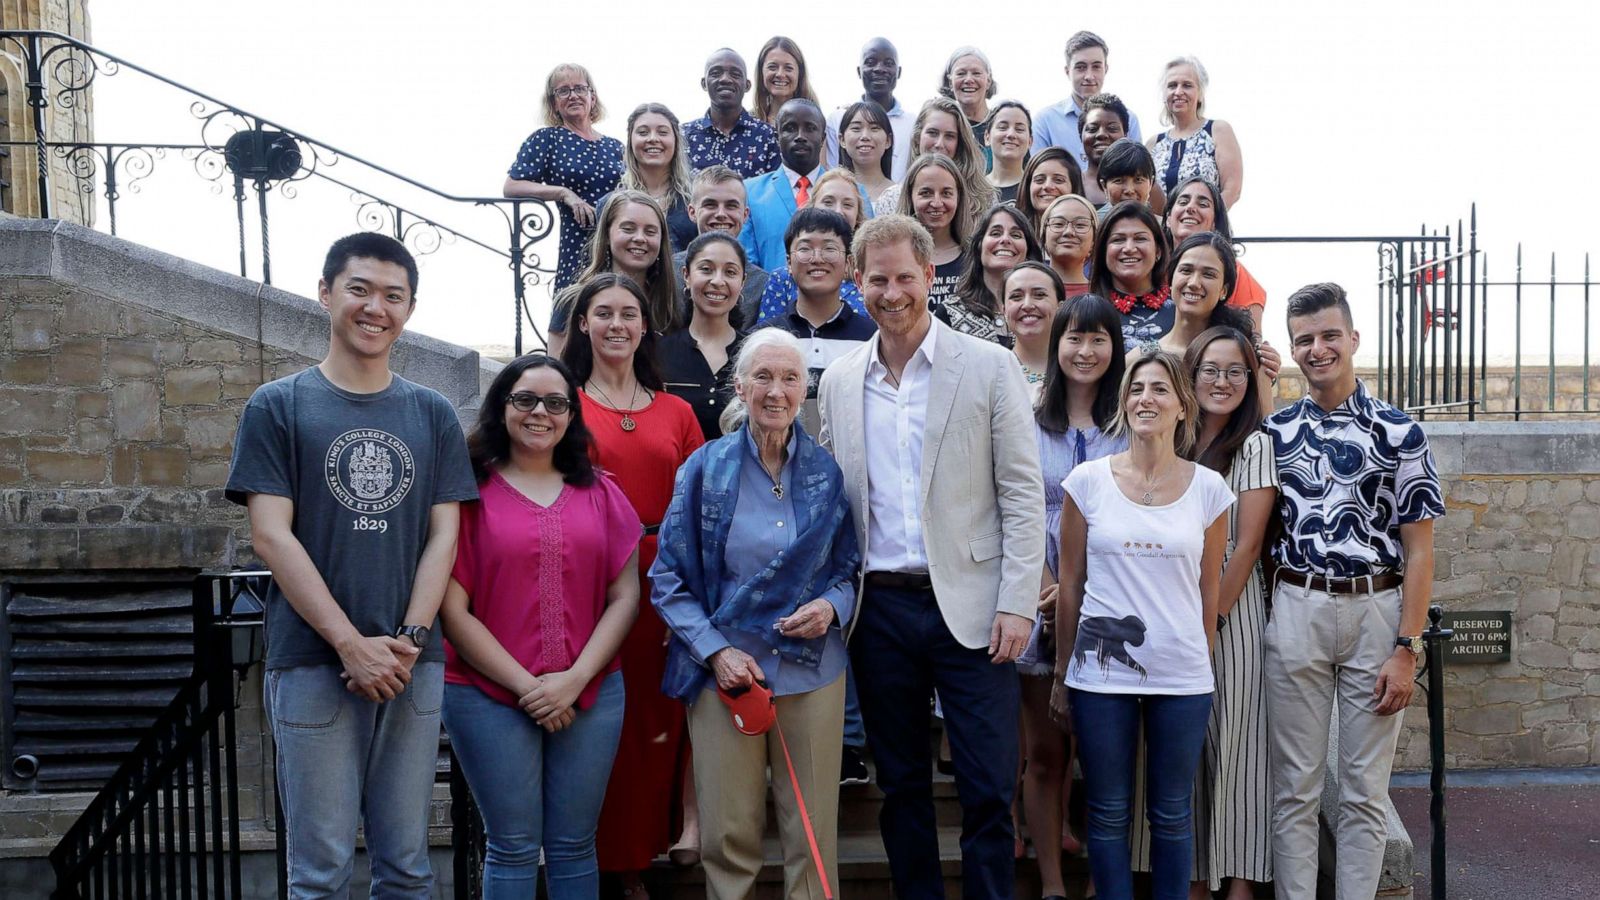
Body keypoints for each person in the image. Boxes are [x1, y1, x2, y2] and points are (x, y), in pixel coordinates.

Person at [225, 233, 478, 898]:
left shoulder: (432, 413)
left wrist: (409, 643)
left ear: (410, 308)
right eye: (360, 289)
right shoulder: (277, 406)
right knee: (321, 872)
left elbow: (444, 536)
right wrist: (350, 643)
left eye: (393, 296)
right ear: (326, 293)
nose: (376, 308)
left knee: (408, 867)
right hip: (313, 662)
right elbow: (270, 536)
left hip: (410, 668)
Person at [817, 214, 1046, 900]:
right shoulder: (840, 378)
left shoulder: (989, 363)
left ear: (929, 279)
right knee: (904, 788)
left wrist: (1015, 602)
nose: (893, 292)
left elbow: (1022, 493)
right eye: (878, 279)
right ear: (859, 284)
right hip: (880, 608)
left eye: (905, 278)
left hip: (974, 607)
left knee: (984, 786)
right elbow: (834, 499)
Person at [652, 328, 861, 900]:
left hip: (812, 671)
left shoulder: (826, 473)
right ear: (739, 386)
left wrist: (829, 606)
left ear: (805, 389)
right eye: (763, 376)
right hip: (728, 675)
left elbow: (849, 569)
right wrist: (716, 653)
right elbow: (666, 578)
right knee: (729, 834)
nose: (776, 390)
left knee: (812, 836)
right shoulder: (703, 469)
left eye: (790, 378)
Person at [1263, 283, 1443, 900]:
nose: (1317, 349)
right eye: (1305, 340)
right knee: (1295, 788)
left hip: (1375, 607)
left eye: (1328, 335)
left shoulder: (1401, 433)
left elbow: (1420, 549)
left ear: (1353, 339)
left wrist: (1407, 647)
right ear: (1293, 349)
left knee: (1364, 790)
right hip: (1296, 606)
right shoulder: (1275, 434)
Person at [440, 354, 641, 900]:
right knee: (512, 845)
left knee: (576, 844)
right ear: (501, 407)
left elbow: (625, 596)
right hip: (487, 695)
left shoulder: (601, 491)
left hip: (591, 693)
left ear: (572, 415)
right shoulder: (466, 495)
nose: (540, 413)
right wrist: (532, 689)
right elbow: (453, 611)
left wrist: (573, 680)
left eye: (556, 403)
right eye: (525, 399)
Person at [1050, 348, 1233, 900]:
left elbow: (1208, 591)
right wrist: (1062, 672)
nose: (1145, 399)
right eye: (1136, 389)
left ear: (1183, 406)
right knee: (1106, 813)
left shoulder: (1209, 490)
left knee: (1173, 814)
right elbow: (1071, 585)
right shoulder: (1086, 482)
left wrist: (1201, 664)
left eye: (1159, 389)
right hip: (1100, 677)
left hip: (1181, 674)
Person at [559, 274, 707, 898]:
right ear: (583, 325)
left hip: (666, 578)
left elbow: (705, 503)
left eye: (629, 313)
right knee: (601, 723)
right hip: (586, 580)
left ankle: (642, 854)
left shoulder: (675, 410)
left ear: (647, 327)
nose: (617, 324)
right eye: (603, 313)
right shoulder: (560, 403)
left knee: (659, 718)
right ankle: (604, 859)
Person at [1015, 292, 1128, 899]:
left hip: (1111, 601)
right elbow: (1015, 506)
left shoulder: (1127, 423)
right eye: (1074, 339)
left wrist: (1085, 595)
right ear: (1056, 346)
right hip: (1039, 593)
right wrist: (1046, 590)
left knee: (1104, 756)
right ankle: (1053, 885)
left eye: (1098, 339)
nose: (1085, 351)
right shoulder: (1027, 418)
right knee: (1045, 753)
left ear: (1115, 349)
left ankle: (1100, 887)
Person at [1163, 326, 1279, 900]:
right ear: (1191, 373)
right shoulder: (1173, 439)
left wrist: (1208, 625)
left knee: (1234, 745)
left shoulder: (1254, 444)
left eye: (1236, 371)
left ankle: (1238, 885)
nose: (1222, 381)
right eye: (1211, 369)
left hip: (1227, 616)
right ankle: (1193, 878)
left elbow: (1249, 544)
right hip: (1168, 610)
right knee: (1182, 753)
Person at [505, 64, 623, 293]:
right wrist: (563, 193)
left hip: (619, 244)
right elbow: (512, 186)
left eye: (579, 88)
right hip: (577, 246)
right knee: (572, 315)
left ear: (592, 96)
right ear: (553, 103)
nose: (573, 96)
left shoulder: (615, 146)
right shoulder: (547, 139)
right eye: (563, 91)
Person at [1155, 232, 1280, 414]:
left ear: (1224, 290)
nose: (1194, 283)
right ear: (1171, 281)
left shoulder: (1248, 356)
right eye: (1186, 270)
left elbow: (1264, 427)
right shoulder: (1141, 358)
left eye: (1208, 274)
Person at [549, 191, 680, 356]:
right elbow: (557, 373)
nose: (640, 238)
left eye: (650, 231)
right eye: (628, 229)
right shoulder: (572, 301)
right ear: (607, 235)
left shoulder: (671, 303)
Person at [660, 232, 749, 441]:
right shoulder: (658, 353)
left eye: (730, 272)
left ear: (743, 282)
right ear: (686, 275)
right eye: (706, 269)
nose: (718, 281)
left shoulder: (754, 354)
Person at [757, 169, 872, 325]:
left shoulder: (869, 276)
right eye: (828, 202)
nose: (838, 211)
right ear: (812, 207)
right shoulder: (783, 279)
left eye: (847, 204)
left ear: (858, 216)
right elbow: (766, 336)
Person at [1164, 176, 1266, 335]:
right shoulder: (1149, 265)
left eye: (1203, 204)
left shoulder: (1237, 273)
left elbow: (1253, 342)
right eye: (1183, 202)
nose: (1190, 208)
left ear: (1214, 223)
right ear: (1169, 219)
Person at [672, 165, 771, 326]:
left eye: (731, 206)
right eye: (710, 205)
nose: (721, 214)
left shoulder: (761, 283)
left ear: (745, 214)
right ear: (692, 212)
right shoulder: (667, 272)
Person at [1032, 31, 1144, 167]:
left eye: (1096, 67)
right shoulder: (1045, 121)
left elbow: (1136, 170)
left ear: (1106, 69)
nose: (1089, 76)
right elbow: (1038, 174)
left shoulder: (1128, 119)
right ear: (1068, 71)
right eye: (1081, 67)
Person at [743, 99, 830, 272]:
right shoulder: (749, 192)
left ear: (822, 138)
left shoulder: (851, 191)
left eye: (810, 128)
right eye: (790, 128)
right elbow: (745, 261)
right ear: (777, 137)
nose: (800, 136)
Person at [875, 98, 995, 221]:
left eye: (949, 136)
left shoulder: (983, 198)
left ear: (959, 143)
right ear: (918, 137)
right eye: (932, 133)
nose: (939, 144)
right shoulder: (891, 200)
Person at [599, 103, 697, 253]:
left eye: (663, 132)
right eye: (643, 132)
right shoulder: (609, 204)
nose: (653, 139)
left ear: (676, 140)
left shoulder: (697, 199)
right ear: (630, 141)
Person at [1149, 56, 1243, 209]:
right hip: (1164, 231)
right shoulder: (1154, 144)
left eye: (1187, 85)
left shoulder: (1217, 131)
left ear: (1200, 93)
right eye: (1172, 86)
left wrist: (1209, 221)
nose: (1178, 92)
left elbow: (1233, 189)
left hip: (1208, 229)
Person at [947, 204, 1045, 346]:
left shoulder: (1045, 312)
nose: (1005, 240)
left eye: (1016, 235)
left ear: (1028, 250)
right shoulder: (950, 313)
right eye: (995, 233)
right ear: (979, 245)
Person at [825, 38, 914, 180]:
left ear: (898, 72)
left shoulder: (913, 123)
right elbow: (831, 171)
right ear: (859, 71)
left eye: (889, 63)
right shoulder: (838, 119)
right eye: (870, 62)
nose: (879, 69)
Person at [685, 48, 781, 179]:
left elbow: (776, 190)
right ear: (704, 83)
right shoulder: (684, 137)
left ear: (747, 85)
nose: (725, 79)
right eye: (715, 73)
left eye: (735, 74)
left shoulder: (768, 136)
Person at [1090, 202, 1172, 350]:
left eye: (1140, 239)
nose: (1129, 248)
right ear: (1103, 252)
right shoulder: (1086, 311)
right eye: (1118, 239)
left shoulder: (1182, 309)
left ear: (1158, 251)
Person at [1001, 261, 1066, 396]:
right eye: (1016, 297)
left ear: (1061, 307)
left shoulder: (1080, 367)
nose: (1027, 305)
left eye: (1039, 295)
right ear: (1004, 311)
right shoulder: (993, 369)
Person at [939, 47, 998, 166]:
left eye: (976, 73)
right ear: (950, 82)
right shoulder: (940, 125)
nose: (969, 79)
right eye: (961, 73)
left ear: (988, 81)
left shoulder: (1002, 126)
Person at [837, 100, 898, 209]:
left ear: (888, 140)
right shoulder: (832, 191)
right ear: (842, 140)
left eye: (874, 128)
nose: (865, 136)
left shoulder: (900, 195)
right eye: (856, 128)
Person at [751, 36, 820, 128]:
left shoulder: (815, 121)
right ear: (761, 72)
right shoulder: (748, 122)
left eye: (788, 68)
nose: (780, 74)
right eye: (772, 67)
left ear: (800, 74)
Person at [1077, 93, 1132, 207]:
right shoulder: (1072, 184)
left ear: (1125, 135)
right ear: (1080, 135)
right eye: (1092, 129)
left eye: (1112, 128)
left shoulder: (1143, 185)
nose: (1101, 135)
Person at [1015, 147, 1085, 235]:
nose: (1047, 186)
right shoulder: (1012, 236)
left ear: (1074, 187)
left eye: (1058, 180)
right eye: (1039, 180)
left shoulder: (1089, 238)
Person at [1040, 194, 1097, 294]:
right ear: (1044, 237)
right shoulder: (1026, 291)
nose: (1068, 232)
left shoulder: (1103, 294)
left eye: (1080, 225)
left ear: (1093, 241)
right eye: (1058, 224)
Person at [1096, 138, 1163, 216]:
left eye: (1138, 180)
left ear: (1151, 183)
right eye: (1119, 180)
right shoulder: (1093, 225)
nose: (1129, 190)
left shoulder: (1164, 227)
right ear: (1104, 186)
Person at [985, 101, 1033, 204]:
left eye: (1019, 129)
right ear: (987, 137)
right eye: (1002, 127)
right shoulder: (972, 189)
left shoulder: (1036, 189)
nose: (1011, 134)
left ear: (1030, 141)